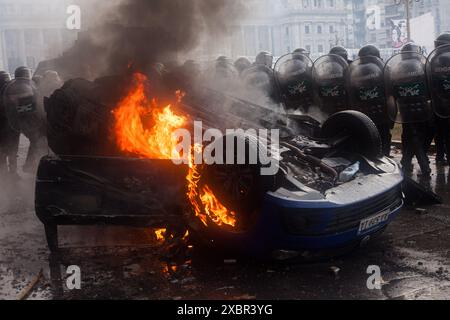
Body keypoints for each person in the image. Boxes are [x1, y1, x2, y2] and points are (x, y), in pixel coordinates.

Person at [395, 44, 432, 176]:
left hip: (405, 109)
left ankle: (406, 162)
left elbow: (393, 90)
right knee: (420, 135)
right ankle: (424, 166)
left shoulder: (397, 68)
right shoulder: (423, 65)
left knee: (410, 135)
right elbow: (430, 86)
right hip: (423, 108)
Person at [3, 67, 46, 173]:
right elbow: (29, 109)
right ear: (26, 75)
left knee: (9, 148)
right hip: (25, 122)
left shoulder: (11, 86)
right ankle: (29, 166)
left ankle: (10, 173)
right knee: (36, 141)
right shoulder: (23, 87)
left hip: (13, 122)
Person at [357, 44, 393, 156]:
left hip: (371, 112)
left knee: (376, 136)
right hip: (378, 111)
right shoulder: (385, 69)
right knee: (383, 135)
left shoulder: (356, 72)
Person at [430, 33, 450, 166]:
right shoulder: (434, 60)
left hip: (437, 103)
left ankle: (440, 156)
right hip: (441, 101)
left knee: (440, 131)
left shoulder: (433, 60)